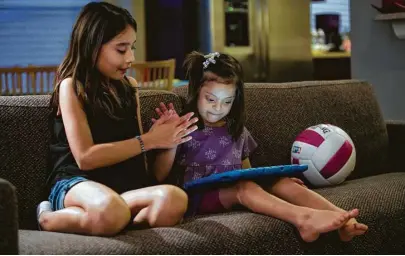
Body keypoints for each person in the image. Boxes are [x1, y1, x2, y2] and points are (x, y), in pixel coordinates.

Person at [152, 51, 368, 243]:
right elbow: (159, 176)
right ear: (196, 91)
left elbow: (247, 170)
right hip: (198, 198)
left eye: (227, 102)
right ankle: (304, 219)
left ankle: (345, 221)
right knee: (244, 188)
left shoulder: (236, 130)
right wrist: (170, 143)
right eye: (211, 100)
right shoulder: (185, 127)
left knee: (281, 183)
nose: (218, 108)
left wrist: (270, 181)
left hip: (233, 189)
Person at [36, 2, 199, 236]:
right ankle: (47, 218)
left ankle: (113, 219)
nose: (131, 58)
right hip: (77, 184)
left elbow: (150, 175)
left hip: (119, 193)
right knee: (111, 208)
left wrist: (168, 142)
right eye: (121, 50)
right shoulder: (71, 87)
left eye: (132, 47)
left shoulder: (129, 87)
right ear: (92, 46)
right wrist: (149, 140)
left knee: (174, 198)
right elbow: (85, 158)